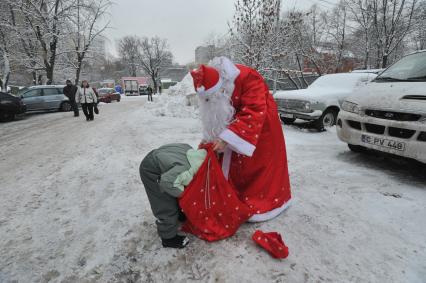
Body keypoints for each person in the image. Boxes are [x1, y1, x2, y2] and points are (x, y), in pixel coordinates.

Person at [190, 56, 292, 222]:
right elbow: (216, 117)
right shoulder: (214, 88)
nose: (210, 102)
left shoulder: (249, 77)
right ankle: (231, 191)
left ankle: (262, 201)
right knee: (231, 162)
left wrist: (227, 139)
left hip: (261, 125)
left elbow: (254, 110)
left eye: (212, 97)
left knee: (256, 165)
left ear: (221, 89)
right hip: (237, 122)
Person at [139, 143, 207, 248]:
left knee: (177, 185)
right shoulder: (188, 170)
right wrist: (186, 196)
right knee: (164, 203)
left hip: (160, 158)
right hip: (151, 171)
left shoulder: (192, 152)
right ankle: (168, 237)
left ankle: (179, 213)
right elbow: (166, 182)